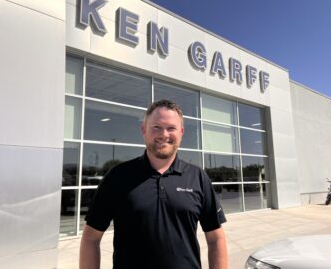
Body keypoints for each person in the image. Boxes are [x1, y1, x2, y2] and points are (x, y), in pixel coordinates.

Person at [80, 99, 228, 269]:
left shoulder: (197, 177)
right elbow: (91, 238)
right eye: (156, 127)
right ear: (144, 130)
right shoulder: (118, 177)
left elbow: (216, 238)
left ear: (181, 132)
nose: (164, 134)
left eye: (171, 128)